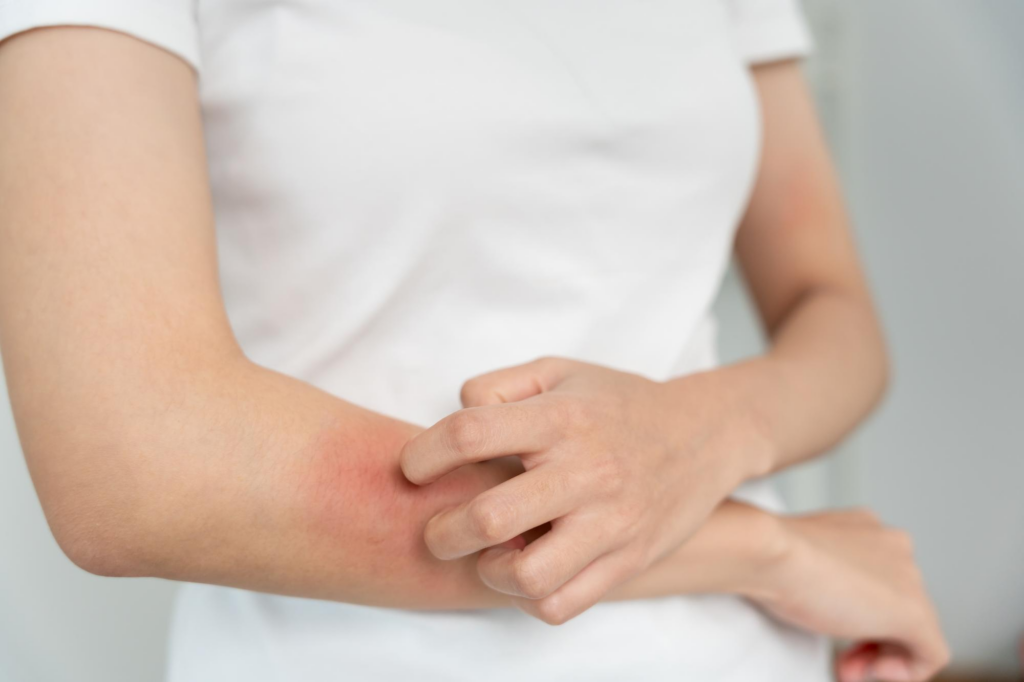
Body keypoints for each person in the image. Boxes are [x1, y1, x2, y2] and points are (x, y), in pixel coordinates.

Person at [0, 1, 949, 681]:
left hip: (743, 651)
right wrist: (767, 549)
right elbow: (134, 473)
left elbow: (833, 310)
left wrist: (701, 430)